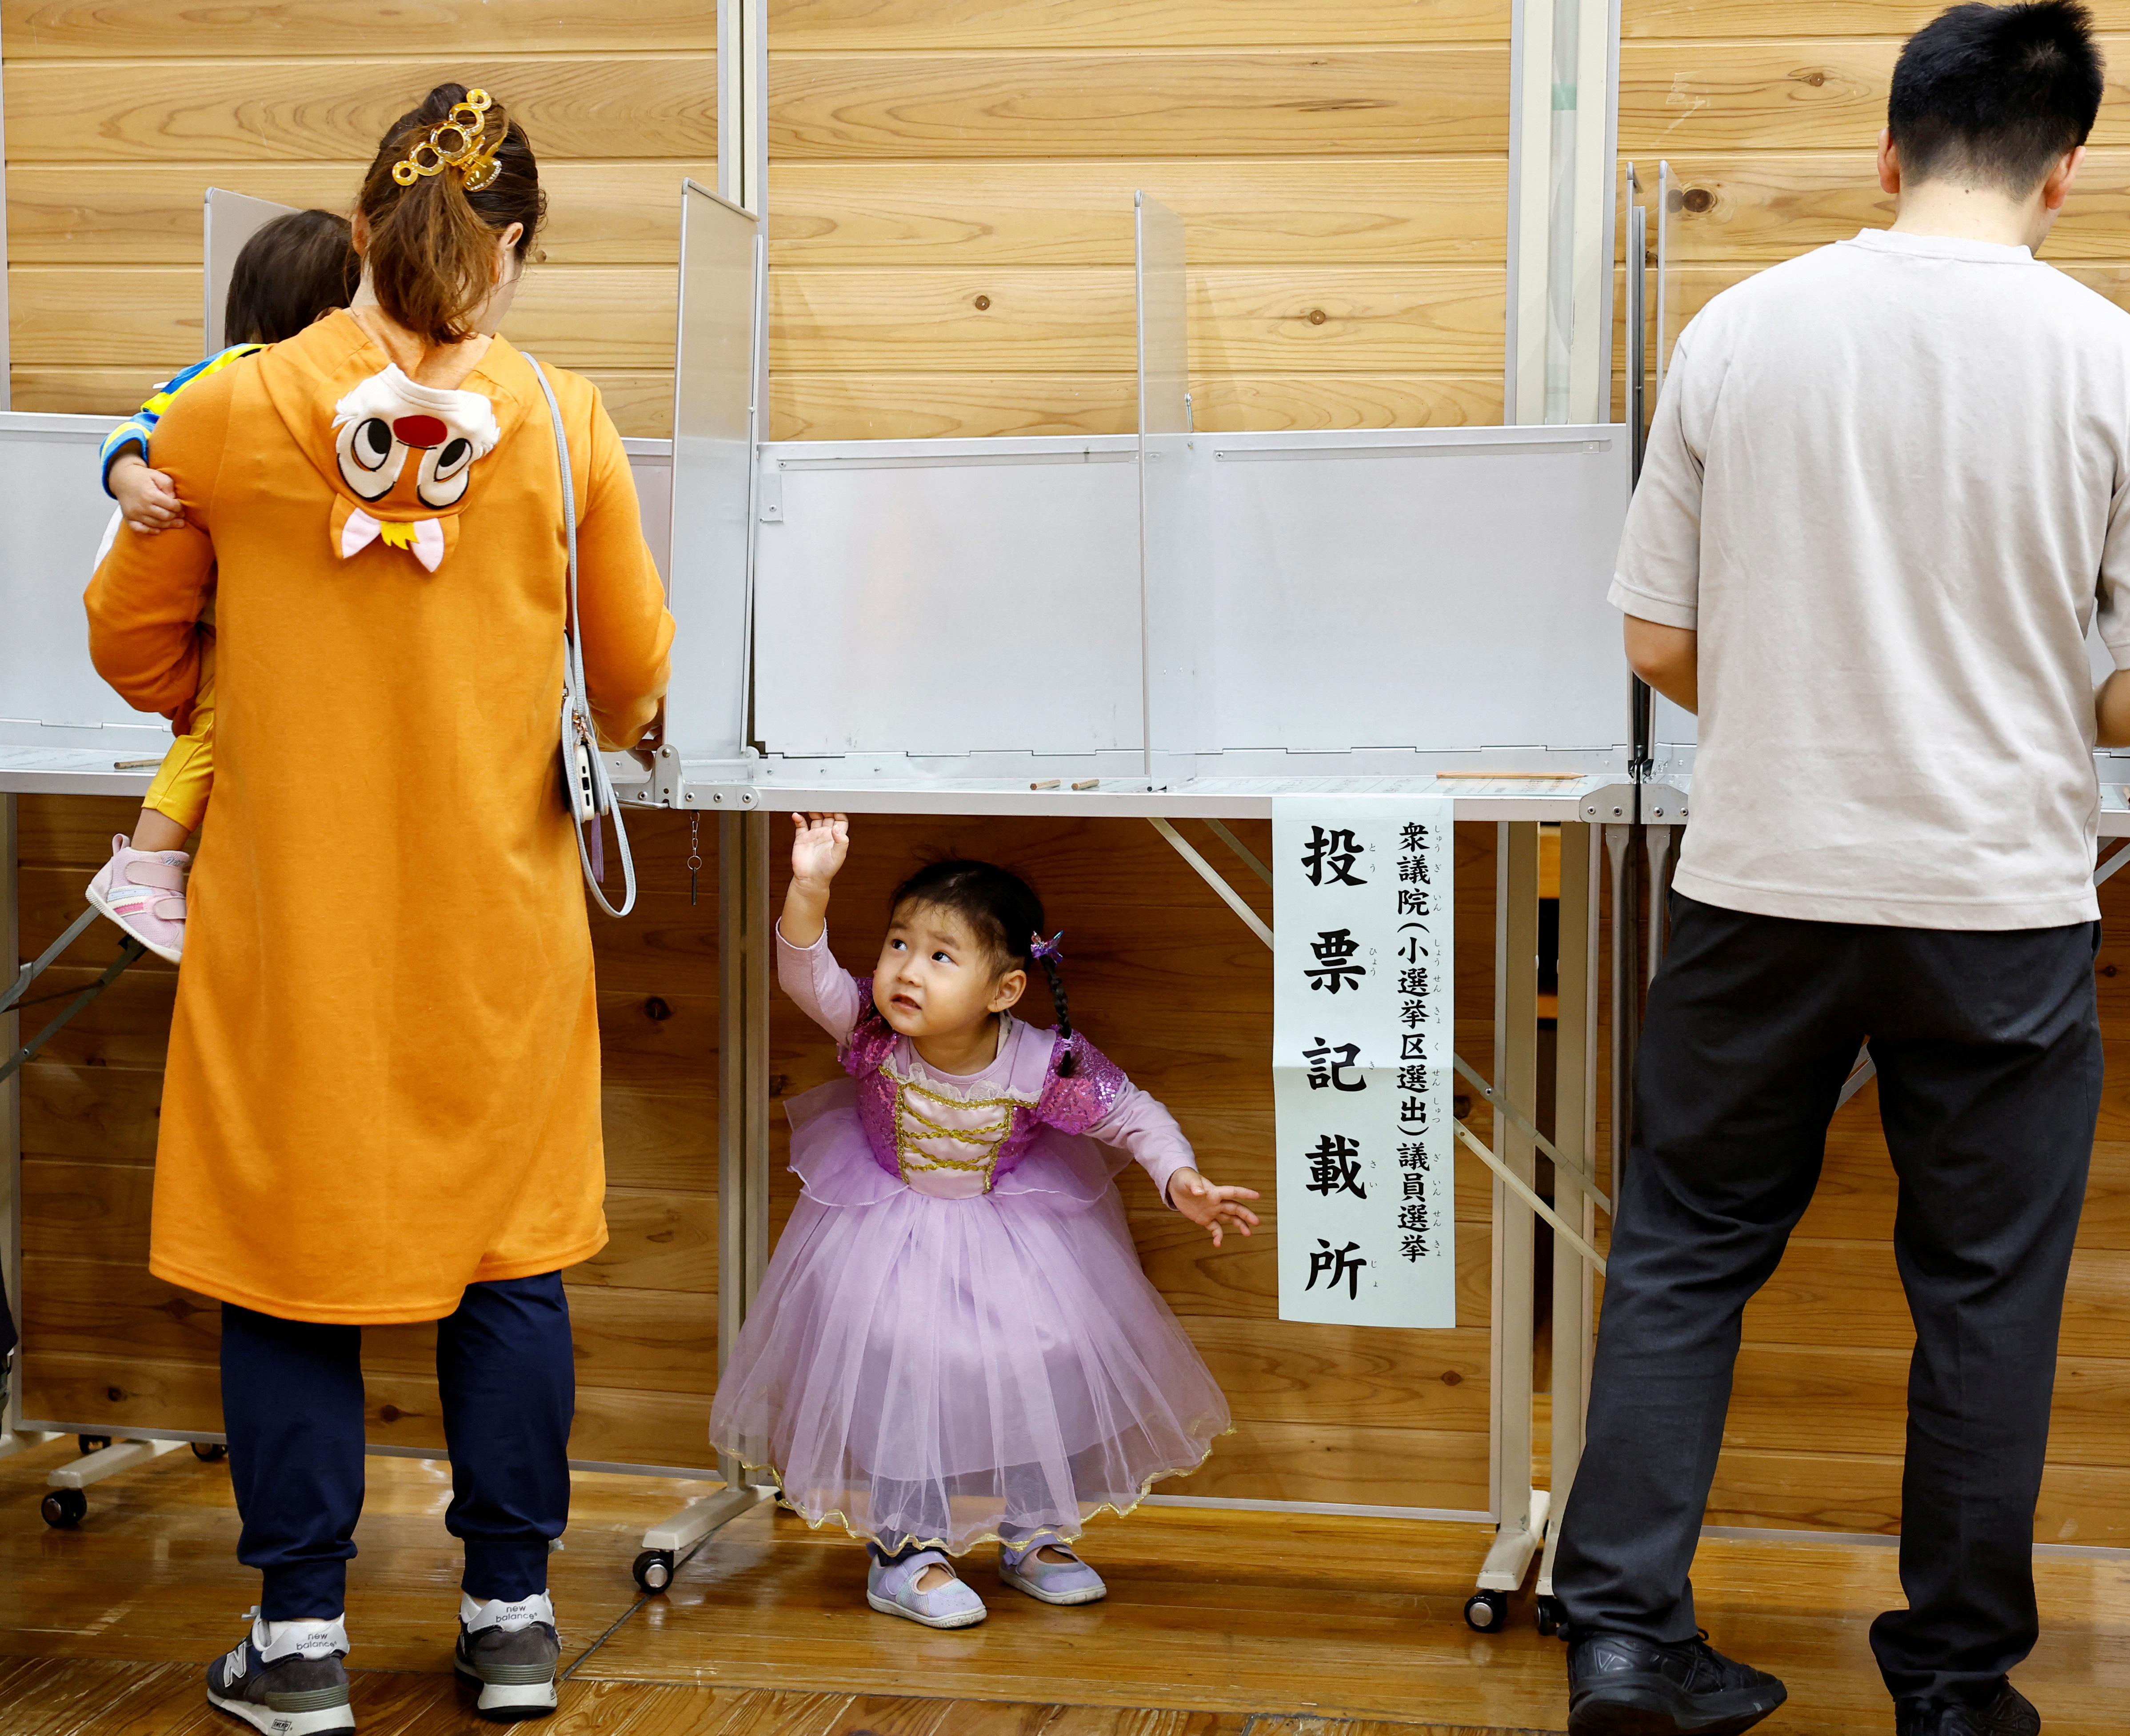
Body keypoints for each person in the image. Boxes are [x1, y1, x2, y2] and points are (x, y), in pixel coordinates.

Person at [1554, 7, 2130, 1736]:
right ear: (2060, 173)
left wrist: (1801, 703)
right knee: (1983, 1296)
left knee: (1683, 1251)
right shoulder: (2122, 368)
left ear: (1886, 146)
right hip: (1994, 905)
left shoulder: (1737, 330)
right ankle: (1947, 1688)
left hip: (1756, 882)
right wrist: (2011, 698)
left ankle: (1623, 1640)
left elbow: (1654, 635)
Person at [85, 83, 673, 1732]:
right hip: (502, 934)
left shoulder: (224, 414)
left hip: (297, 932)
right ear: (522, 250)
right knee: (509, 1264)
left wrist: (257, 650)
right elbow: (627, 684)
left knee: (287, 1263)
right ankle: (509, 1620)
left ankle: (300, 1646)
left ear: (354, 231)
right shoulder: (567, 421)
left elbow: (135, 657)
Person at [711, 813, 1255, 1629]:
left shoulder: (1043, 1059)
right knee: (899, 1360)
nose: (906, 971)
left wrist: (1179, 1177)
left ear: (1004, 988)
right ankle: (906, 1550)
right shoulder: (868, 1029)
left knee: (1045, 1354)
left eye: (940, 956)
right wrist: (810, 886)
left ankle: (1034, 1529)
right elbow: (804, 975)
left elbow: (1132, 1113)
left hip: (1010, 1231)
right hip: (885, 1231)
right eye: (898, 944)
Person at [86, 208, 361, 963]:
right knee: (214, 730)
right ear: (327, 316)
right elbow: (134, 425)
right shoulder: (233, 373)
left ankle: (151, 867)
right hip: (219, 618)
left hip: (265, 627)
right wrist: (129, 477)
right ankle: (144, 868)